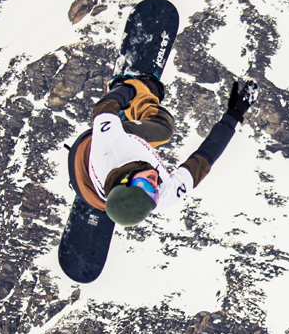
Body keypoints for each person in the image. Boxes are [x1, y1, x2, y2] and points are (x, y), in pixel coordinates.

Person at [66, 73, 257, 226]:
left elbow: (105, 106)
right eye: (154, 192)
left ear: (125, 180)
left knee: (163, 127)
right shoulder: (164, 195)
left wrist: (129, 88)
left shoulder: (111, 144)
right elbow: (204, 158)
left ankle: (140, 90)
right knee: (164, 131)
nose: (154, 182)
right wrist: (234, 115)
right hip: (91, 191)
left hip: (87, 147)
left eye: (145, 184)